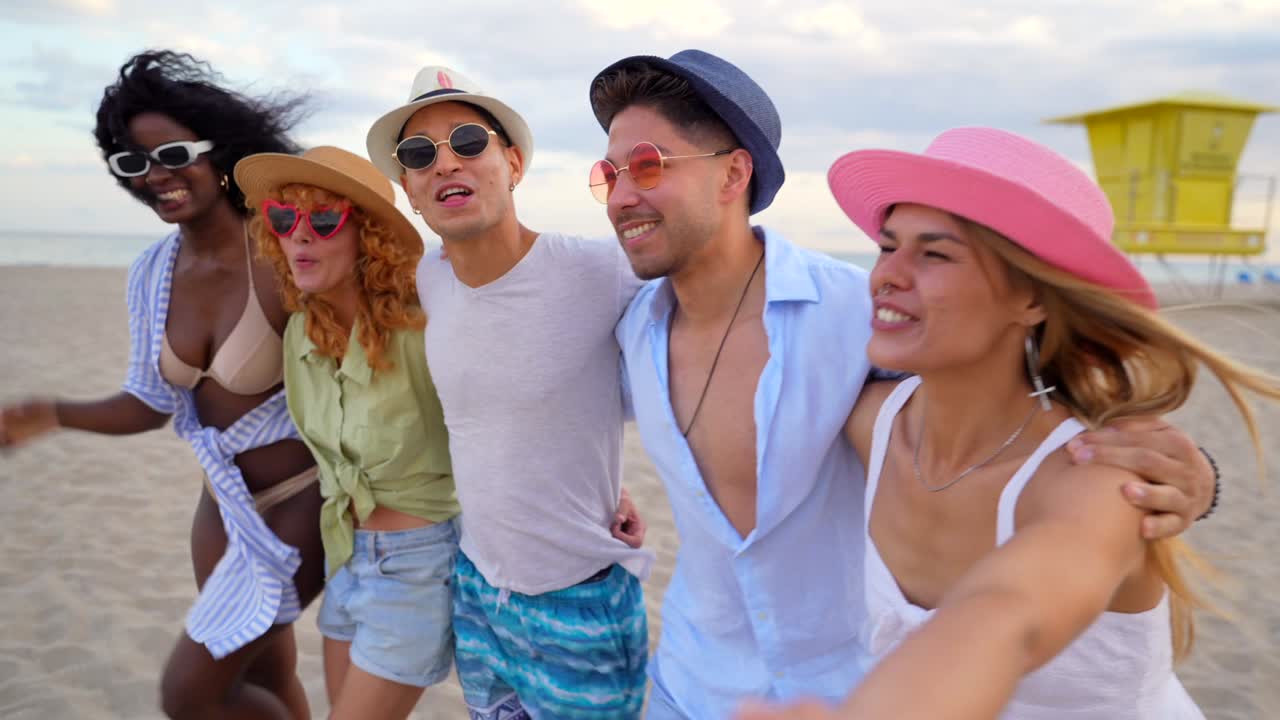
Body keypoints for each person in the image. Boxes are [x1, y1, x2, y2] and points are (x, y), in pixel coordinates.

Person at [588, 50, 1221, 719]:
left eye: (650, 165)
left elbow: (1010, 598)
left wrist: (1194, 476)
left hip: (849, 688)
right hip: (688, 683)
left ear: (733, 173)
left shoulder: (855, 316)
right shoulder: (630, 329)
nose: (623, 193)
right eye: (608, 173)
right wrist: (600, 490)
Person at [736, 127, 1280, 719]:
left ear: (1032, 300)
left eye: (935, 253)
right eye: (889, 246)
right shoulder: (869, 424)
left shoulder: (1097, 478)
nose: (888, 274)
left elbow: (1006, 614)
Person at [0, 51, 322, 719]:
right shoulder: (152, 272)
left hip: (305, 500)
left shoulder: (283, 253)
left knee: (190, 693)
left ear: (220, 151)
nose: (157, 176)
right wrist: (54, 414)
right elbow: (151, 402)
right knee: (265, 663)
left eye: (173, 152)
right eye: (133, 164)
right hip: (222, 505)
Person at [364, 66, 653, 719]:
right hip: (476, 591)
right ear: (409, 189)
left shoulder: (600, 271)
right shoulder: (426, 282)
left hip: (579, 596)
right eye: (418, 155)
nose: (444, 164)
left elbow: (689, 360)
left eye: (468, 142)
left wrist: (606, 482)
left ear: (513, 162)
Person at [235, 145, 461, 719]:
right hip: (346, 554)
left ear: (368, 234)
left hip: (420, 565)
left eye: (324, 219)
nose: (300, 237)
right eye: (285, 221)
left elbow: (508, 413)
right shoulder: (301, 336)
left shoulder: (423, 324)